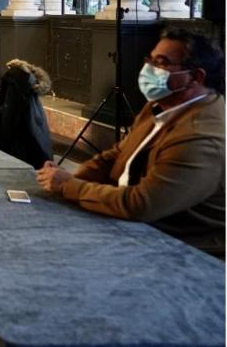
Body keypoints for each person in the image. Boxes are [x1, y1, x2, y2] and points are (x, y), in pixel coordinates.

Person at [36, 28, 225, 257]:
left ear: (196, 77)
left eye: (162, 63)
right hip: (131, 225)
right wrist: (76, 179)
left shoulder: (200, 138)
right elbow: (117, 153)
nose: (150, 70)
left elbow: (140, 205)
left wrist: (68, 186)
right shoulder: (161, 104)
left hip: (180, 251)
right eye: (150, 60)